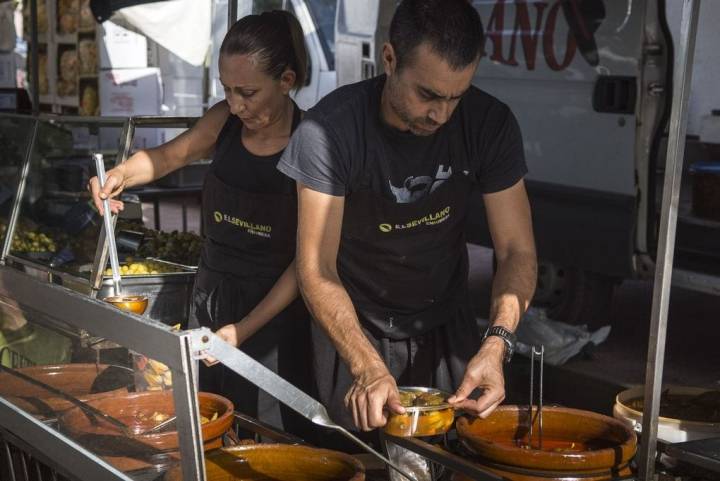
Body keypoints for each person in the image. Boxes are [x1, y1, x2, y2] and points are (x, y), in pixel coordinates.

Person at [278, 0, 537, 434]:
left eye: (457, 96)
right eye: (428, 95)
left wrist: (497, 343)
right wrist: (365, 366)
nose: (442, 115)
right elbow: (315, 269)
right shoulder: (328, 132)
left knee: (448, 450)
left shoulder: (489, 124)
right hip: (352, 321)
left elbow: (517, 250)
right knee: (354, 457)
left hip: (444, 316)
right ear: (390, 58)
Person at [89, 10, 312, 433]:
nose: (235, 104)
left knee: (262, 433)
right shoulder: (224, 122)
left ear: (286, 80)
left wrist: (241, 331)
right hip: (211, 298)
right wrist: (119, 176)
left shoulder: (311, 142)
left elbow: (306, 262)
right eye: (227, 90)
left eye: (247, 92)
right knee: (205, 417)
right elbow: (169, 156)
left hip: (274, 314)